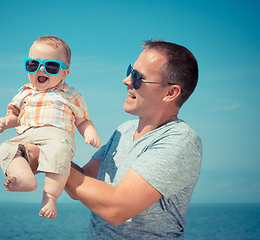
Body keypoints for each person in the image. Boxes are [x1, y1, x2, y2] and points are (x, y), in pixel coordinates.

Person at [23, 40, 202, 239]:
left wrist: (45, 160)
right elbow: (83, 182)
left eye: (137, 77)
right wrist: (43, 150)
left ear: (171, 92)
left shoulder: (180, 140)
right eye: (129, 71)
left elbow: (117, 209)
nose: (126, 81)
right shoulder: (123, 131)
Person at [0, 36, 101, 220]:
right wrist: (7, 121)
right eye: (33, 64)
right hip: (27, 135)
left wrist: (90, 133)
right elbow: (15, 115)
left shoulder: (70, 94)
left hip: (57, 135)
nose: (41, 69)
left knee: (59, 154)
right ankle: (22, 177)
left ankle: (50, 197)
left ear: (64, 73)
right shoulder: (24, 92)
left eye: (51, 66)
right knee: (6, 148)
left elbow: (83, 120)